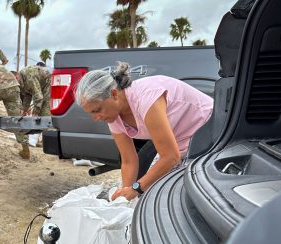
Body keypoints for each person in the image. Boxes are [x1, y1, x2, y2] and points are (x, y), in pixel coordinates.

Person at [75, 62, 213, 201]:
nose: (96, 118)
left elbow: (171, 157)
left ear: (114, 94)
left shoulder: (145, 98)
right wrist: (124, 196)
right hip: (181, 143)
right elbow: (129, 161)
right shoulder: (113, 116)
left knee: (181, 196)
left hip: (211, 131)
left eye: (97, 110)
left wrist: (136, 188)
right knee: (151, 194)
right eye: (91, 113)